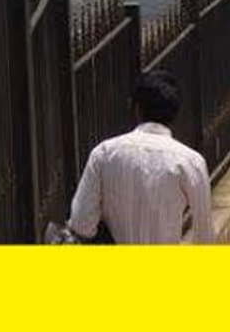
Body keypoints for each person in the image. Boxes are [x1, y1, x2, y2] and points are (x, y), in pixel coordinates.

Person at [67, 71, 214, 244]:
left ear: (136, 108)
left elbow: (81, 224)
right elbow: (205, 237)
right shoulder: (191, 162)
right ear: (175, 112)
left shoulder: (103, 154)